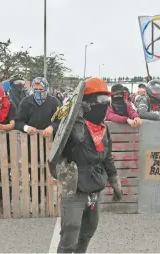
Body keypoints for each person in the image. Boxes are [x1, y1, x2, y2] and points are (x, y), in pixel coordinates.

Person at [56, 77, 123, 253]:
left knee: (88, 230)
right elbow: (63, 142)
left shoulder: (103, 128)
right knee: (70, 232)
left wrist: (114, 181)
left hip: (94, 183)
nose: (105, 105)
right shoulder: (70, 125)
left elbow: (107, 156)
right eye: (100, 101)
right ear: (86, 103)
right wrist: (76, 114)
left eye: (106, 101)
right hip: (74, 182)